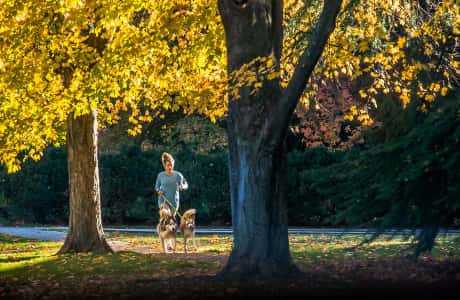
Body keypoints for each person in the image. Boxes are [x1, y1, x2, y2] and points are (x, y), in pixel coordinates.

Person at [155, 152, 188, 216]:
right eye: (168, 165)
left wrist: (182, 186)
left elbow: (186, 184)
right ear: (164, 165)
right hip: (163, 201)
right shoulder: (160, 175)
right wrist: (159, 191)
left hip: (174, 202)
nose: (170, 167)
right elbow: (156, 187)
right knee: (166, 216)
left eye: (171, 165)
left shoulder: (178, 175)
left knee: (171, 221)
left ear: (173, 164)